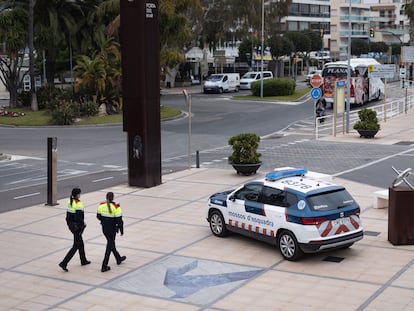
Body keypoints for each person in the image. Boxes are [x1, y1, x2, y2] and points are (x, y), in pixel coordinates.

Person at [59, 188, 90, 272]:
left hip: (72, 225)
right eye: (79, 194)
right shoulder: (79, 203)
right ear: (77, 195)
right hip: (77, 227)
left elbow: (69, 216)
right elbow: (79, 217)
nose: (80, 195)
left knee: (81, 244)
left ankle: (83, 260)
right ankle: (64, 263)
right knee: (76, 246)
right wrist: (83, 224)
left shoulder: (70, 201)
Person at [97, 192, 126, 272]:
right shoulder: (116, 207)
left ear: (106, 197)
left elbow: (98, 216)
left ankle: (118, 258)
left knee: (111, 243)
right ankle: (104, 266)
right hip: (112, 230)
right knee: (109, 246)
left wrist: (105, 221)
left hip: (104, 229)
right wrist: (121, 230)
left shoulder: (101, 205)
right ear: (113, 198)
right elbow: (119, 221)